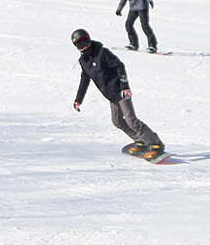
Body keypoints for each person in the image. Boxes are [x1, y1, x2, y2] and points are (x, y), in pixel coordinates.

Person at [71, 27, 166, 160]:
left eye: (86, 41)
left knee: (131, 120)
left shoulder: (102, 52)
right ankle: (141, 140)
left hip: (120, 91)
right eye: (80, 44)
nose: (84, 46)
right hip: (111, 95)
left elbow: (119, 66)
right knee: (117, 121)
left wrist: (125, 87)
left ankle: (155, 144)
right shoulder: (83, 62)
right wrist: (78, 99)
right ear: (76, 46)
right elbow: (84, 80)